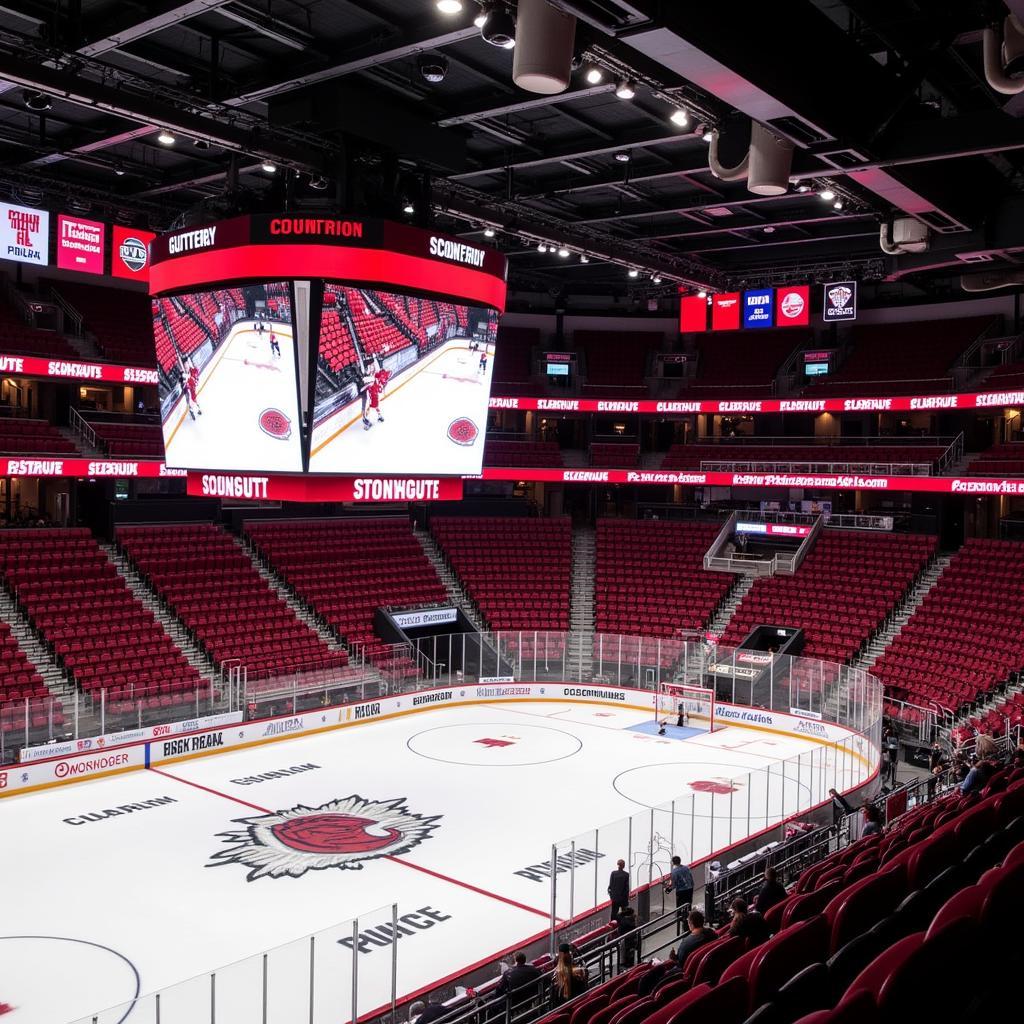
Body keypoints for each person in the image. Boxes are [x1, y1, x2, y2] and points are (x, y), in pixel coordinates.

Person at [665, 855, 694, 933]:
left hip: (681, 891)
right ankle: (689, 918)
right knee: (688, 904)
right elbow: (691, 878)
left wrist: (668, 889)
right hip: (689, 889)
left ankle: (683, 922)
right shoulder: (686, 868)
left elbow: (673, 885)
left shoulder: (674, 872)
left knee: (680, 907)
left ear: (673, 862)